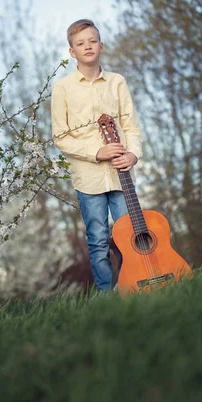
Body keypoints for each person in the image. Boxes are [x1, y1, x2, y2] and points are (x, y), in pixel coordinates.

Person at [51, 19, 143, 291]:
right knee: (99, 239)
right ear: (72, 52)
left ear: (101, 46)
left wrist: (133, 155)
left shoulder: (117, 82)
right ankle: (106, 296)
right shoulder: (63, 88)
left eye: (92, 41)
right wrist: (96, 152)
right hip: (88, 179)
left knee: (133, 235)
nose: (87, 46)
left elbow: (131, 127)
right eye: (80, 43)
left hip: (121, 173)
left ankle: (132, 287)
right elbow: (61, 137)